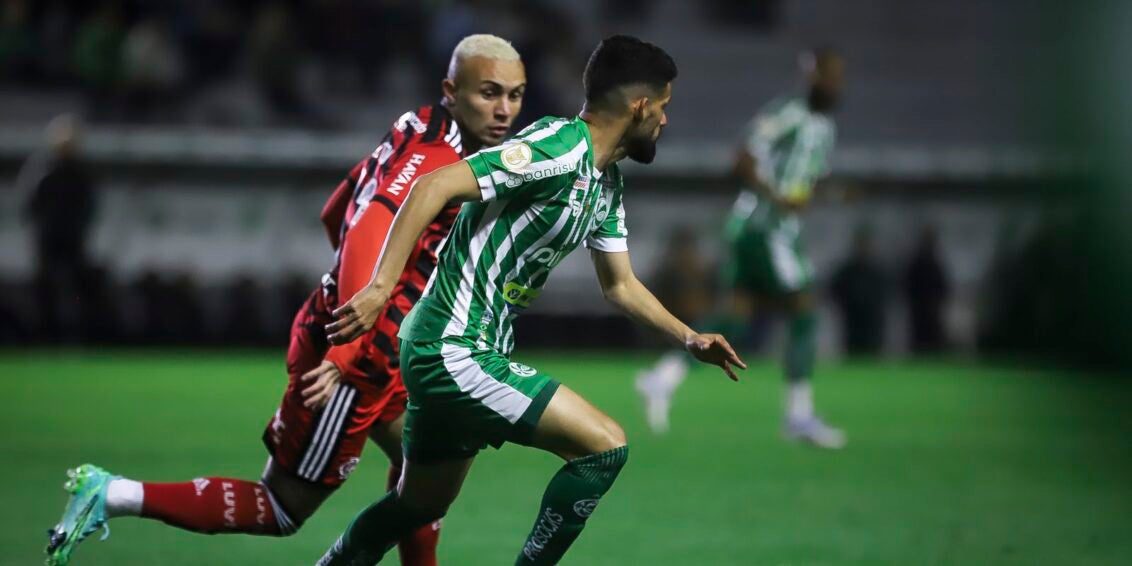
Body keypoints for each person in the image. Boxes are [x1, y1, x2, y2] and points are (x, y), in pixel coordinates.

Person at [45, 34, 527, 566]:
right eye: (489, 93)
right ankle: (113, 494)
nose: (505, 110)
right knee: (282, 507)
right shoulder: (436, 155)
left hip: (391, 354)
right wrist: (349, 346)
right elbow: (368, 226)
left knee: (429, 476)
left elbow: (336, 207)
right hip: (354, 360)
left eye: (516, 95)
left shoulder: (418, 125)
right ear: (452, 91)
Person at [314, 35, 745, 565]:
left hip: (451, 346)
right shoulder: (560, 148)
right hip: (454, 346)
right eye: (664, 107)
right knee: (604, 446)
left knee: (418, 503)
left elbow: (621, 285)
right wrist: (380, 287)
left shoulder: (603, 181)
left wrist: (688, 336)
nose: (665, 121)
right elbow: (433, 185)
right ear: (640, 106)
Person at [636, 46, 847, 448]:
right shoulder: (790, 114)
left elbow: (806, 181)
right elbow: (744, 158)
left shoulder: (824, 129)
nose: (835, 84)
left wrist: (826, 194)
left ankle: (662, 378)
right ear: (811, 76)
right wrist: (777, 197)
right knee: (804, 310)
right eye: (828, 75)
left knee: (734, 318)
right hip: (764, 228)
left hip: (773, 227)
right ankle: (798, 415)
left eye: (839, 77)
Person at [21, 114, 98, 343]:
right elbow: (30, 203)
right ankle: (45, 334)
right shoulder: (42, 170)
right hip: (48, 237)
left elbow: (88, 205)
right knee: (45, 287)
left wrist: (79, 227)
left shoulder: (80, 174)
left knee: (76, 288)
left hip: (72, 238)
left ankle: (76, 334)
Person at [831, 225, 888, 356]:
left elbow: (885, 293)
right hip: (853, 322)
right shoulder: (848, 270)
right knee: (853, 354)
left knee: (873, 354)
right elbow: (835, 290)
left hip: (872, 323)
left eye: (866, 244)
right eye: (861, 244)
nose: (864, 248)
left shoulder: (877, 270)